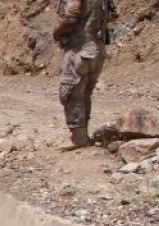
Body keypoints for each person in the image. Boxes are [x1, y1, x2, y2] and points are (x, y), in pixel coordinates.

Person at [54, 0, 112, 148]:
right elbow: (112, 15)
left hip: (79, 50)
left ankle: (79, 139)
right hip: (97, 50)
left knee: (72, 94)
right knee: (85, 94)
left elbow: (71, 15)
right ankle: (83, 135)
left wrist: (57, 31)